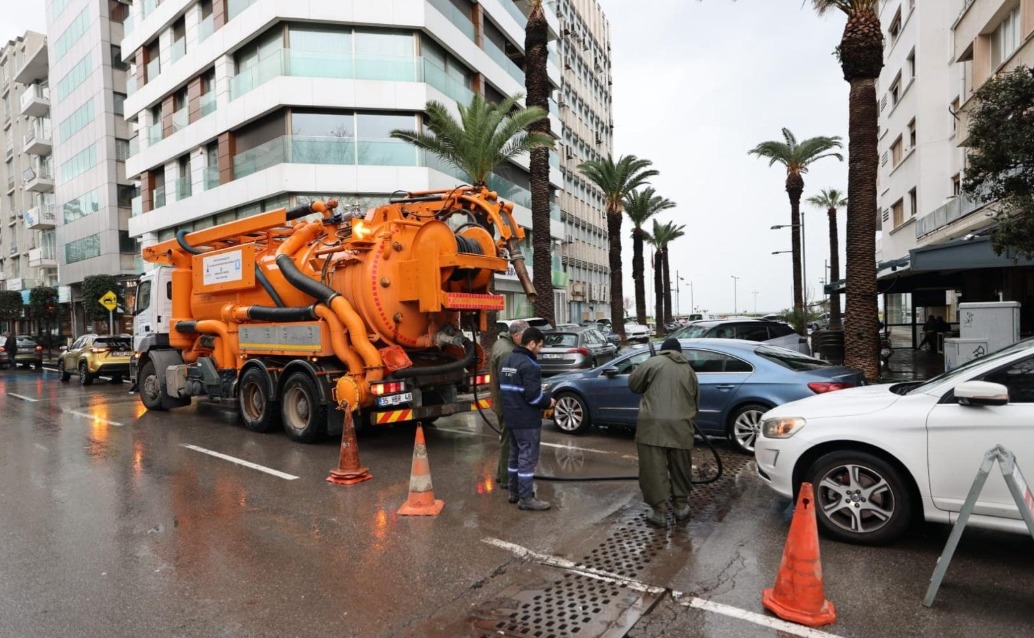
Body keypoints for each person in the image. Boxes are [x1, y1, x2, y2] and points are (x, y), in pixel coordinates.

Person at [629, 337, 699, 528]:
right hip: (681, 426)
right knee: (681, 466)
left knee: (653, 469)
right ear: (679, 352)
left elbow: (633, 384)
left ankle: (659, 512)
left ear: (663, 351)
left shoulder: (652, 363)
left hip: (652, 426)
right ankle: (681, 507)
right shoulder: (689, 370)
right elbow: (695, 400)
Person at [500, 327, 554, 511]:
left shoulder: (508, 360)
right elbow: (534, 398)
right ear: (531, 343)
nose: (540, 349)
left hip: (511, 416)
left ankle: (513, 493)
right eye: (539, 346)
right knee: (527, 458)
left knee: (514, 455)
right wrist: (549, 401)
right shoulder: (530, 366)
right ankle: (526, 499)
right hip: (526, 420)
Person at [490, 319, 529, 485]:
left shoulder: (500, 343)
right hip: (507, 404)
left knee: (507, 439)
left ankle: (501, 474)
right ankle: (507, 479)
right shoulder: (507, 352)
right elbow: (508, 382)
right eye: (526, 337)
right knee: (509, 442)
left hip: (501, 402)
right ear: (517, 335)